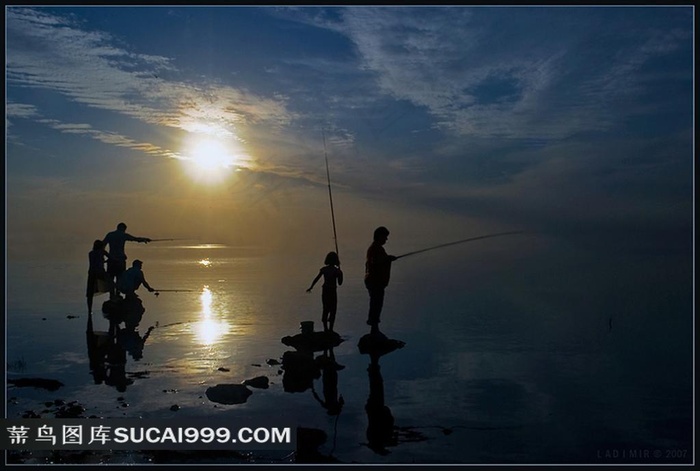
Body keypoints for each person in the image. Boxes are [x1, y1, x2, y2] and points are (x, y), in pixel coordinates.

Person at [103, 222, 151, 297]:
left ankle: (112, 296)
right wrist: (145, 239)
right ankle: (117, 294)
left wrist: (107, 256)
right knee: (120, 278)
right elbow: (135, 239)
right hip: (120, 260)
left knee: (111, 279)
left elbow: (102, 246)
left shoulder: (110, 235)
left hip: (111, 260)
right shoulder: (123, 235)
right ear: (123, 229)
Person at [364, 227, 396, 332]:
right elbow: (375, 262)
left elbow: (378, 261)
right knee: (376, 304)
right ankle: (374, 327)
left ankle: (374, 327)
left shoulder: (377, 248)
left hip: (374, 281)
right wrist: (388, 259)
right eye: (385, 237)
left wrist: (388, 259)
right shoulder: (375, 248)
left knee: (376, 304)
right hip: (375, 281)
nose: (386, 239)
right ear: (379, 236)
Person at [306, 251, 343, 332]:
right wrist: (341, 274)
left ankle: (325, 328)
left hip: (325, 291)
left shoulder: (324, 269)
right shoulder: (336, 271)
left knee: (325, 309)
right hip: (332, 291)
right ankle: (331, 329)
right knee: (333, 310)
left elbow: (316, 279)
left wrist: (311, 287)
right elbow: (340, 283)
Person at [86, 239, 111, 314]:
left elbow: (95, 262)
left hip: (91, 273)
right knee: (112, 286)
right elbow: (111, 257)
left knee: (90, 293)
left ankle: (89, 310)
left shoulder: (91, 253)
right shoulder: (102, 252)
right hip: (100, 272)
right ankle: (113, 300)